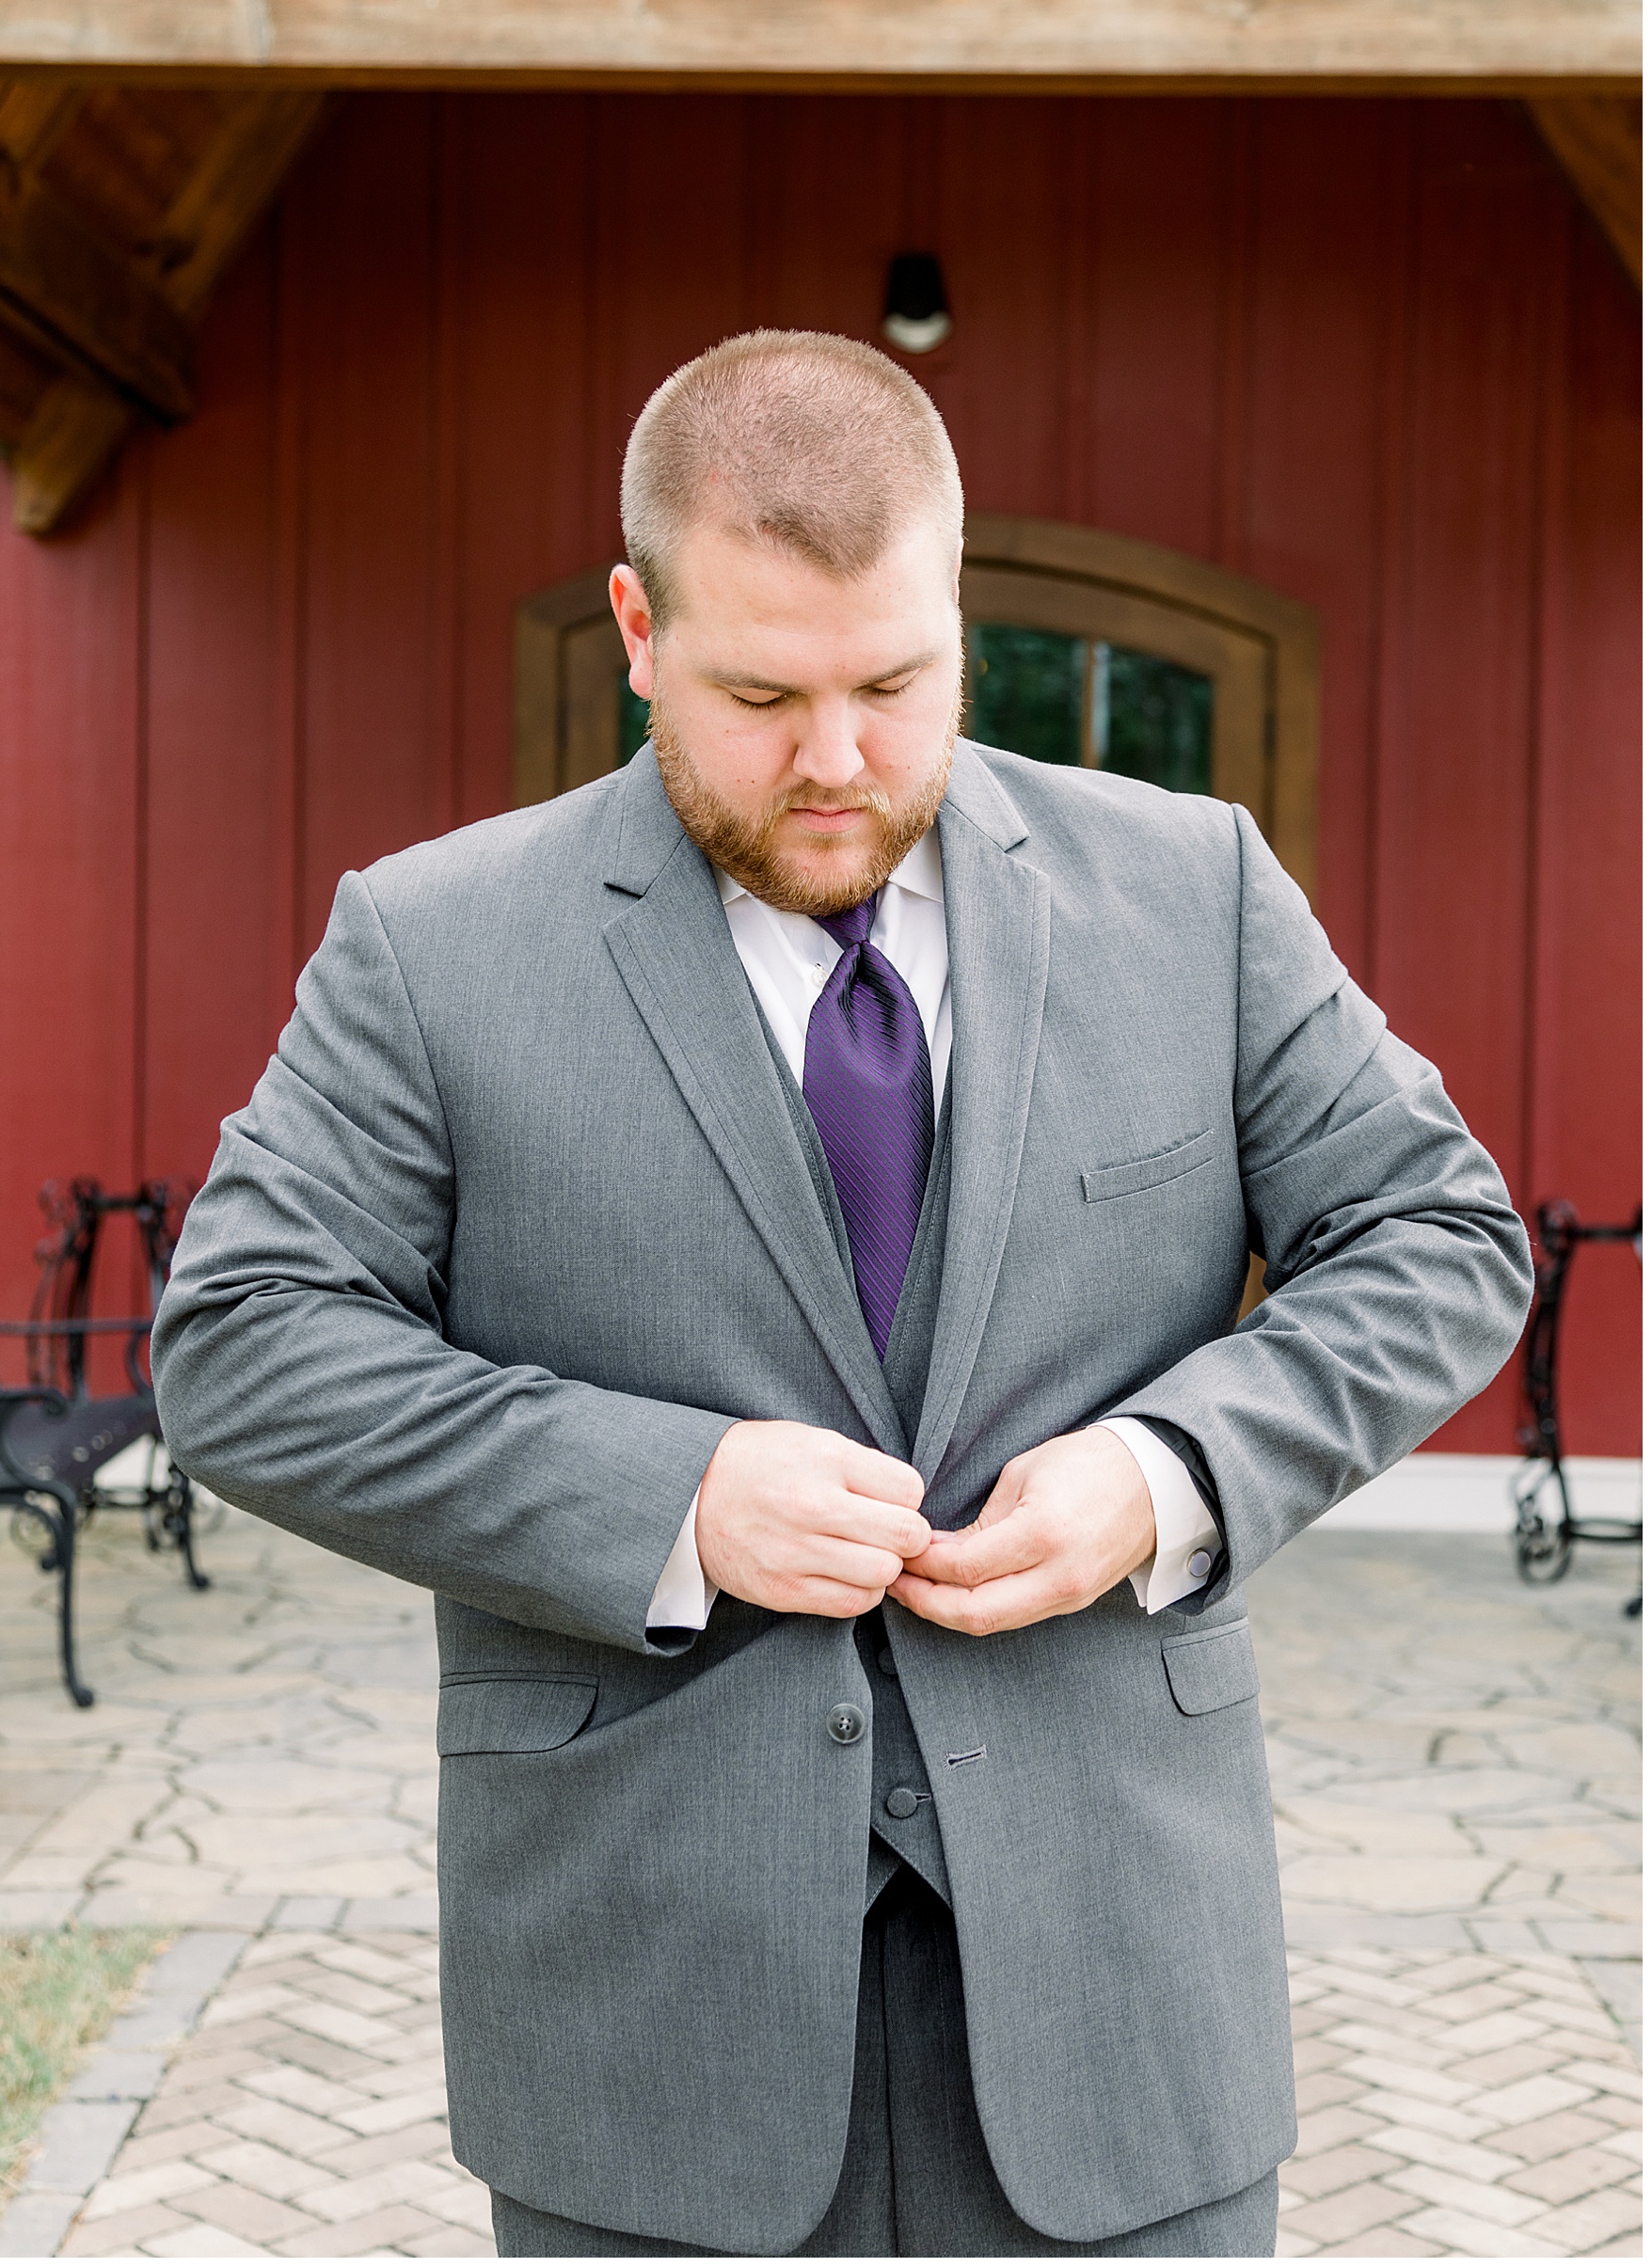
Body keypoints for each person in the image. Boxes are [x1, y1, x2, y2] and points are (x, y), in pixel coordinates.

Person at [154, 330, 1533, 2259]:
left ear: (956, 612)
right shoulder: (432, 947)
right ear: (637, 627)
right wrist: (669, 1499)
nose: (835, 757)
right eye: (760, 691)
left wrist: (1166, 1471)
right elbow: (240, 1346)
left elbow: (1440, 1236)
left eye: (893, 683)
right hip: (647, 2030)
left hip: (1123, 2016)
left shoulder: (1195, 888)